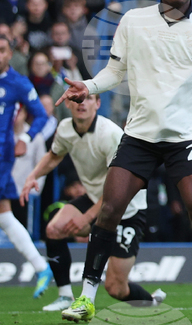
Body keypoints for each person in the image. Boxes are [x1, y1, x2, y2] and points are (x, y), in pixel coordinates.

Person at [55, 0, 192, 323]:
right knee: (109, 209)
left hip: (186, 137)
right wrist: (87, 86)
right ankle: (86, 297)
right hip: (140, 136)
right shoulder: (133, 22)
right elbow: (115, 71)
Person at [20, 94, 162, 312]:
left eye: (88, 99)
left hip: (126, 207)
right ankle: (66, 295)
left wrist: (87, 218)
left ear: (97, 104)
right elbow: (54, 155)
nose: (81, 104)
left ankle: (151, 304)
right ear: (67, 104)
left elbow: (118, 189)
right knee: (54, 229)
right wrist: (33, 176)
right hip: (96, 197)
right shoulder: (65, 129)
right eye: (76, 100)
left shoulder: (111, 134)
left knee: (115, 287)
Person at [0, 35, 54, 298]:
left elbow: (42, 115)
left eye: (1, 51)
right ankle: (41, 266)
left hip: (2, 156)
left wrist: (25, 138)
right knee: (4, 215)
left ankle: (41, 266)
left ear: (10, 54)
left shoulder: (18, 84)